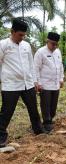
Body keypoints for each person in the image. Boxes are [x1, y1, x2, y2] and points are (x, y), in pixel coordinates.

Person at [0, 18, 45, 147]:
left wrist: (35, 81)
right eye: (20, 35)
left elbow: (31, 65)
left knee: (33, 109)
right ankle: (1, 136)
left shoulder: (26, 45)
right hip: (10, 85)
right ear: (12, 31)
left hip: (27, 84)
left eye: (24, 35)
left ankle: (38, 130)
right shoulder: (3, 45)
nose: (22, 37)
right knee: (6, 112)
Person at [34, 32, 64, 132]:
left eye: (56, 44)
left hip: (55, 84)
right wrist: (37, 82)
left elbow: (60, 66)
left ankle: (50, 119)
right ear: (47, 41)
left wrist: (61, 79)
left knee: (53, 105)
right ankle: (47, 122)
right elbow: (35, 68)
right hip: (45, 84)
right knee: (45, 104)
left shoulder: (58, 52)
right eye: (52, 44)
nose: (54, 46)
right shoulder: (40, 52)